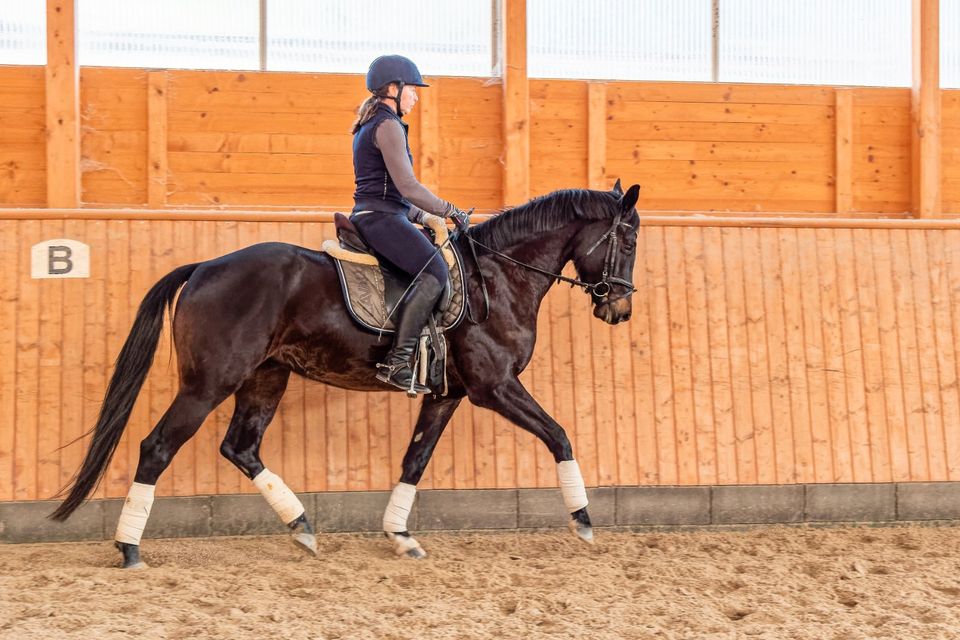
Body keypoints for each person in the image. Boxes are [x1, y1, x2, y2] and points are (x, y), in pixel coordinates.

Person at [349, 54, 470, 395]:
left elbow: (388, 190)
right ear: (393, 89)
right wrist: (450, 210)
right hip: (381, 219)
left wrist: (423, 216)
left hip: (382, 213)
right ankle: (398, 361)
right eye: (413, 90)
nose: (416, 97)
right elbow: (408, 187)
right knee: (436, 273)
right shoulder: (386, 125)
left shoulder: (372, 124)